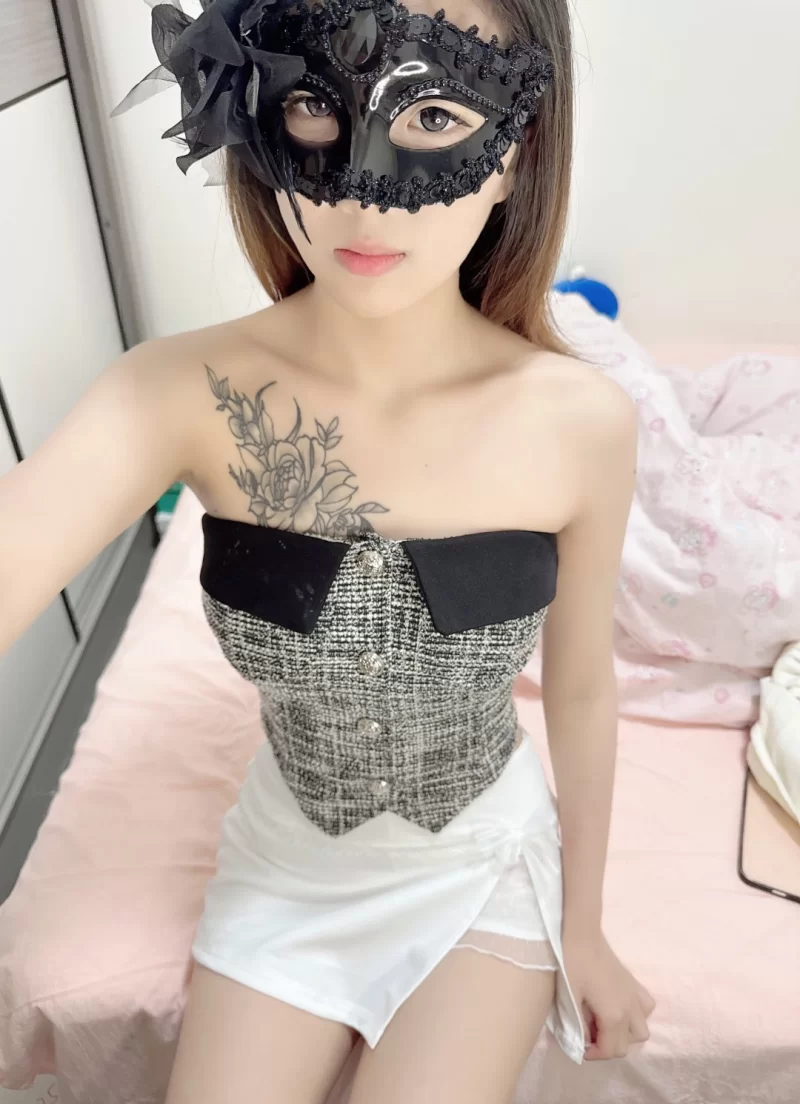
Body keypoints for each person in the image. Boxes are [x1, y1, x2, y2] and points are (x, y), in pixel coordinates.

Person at [0, 0, 656, 1100]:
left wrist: (582, 928)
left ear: (515, 152)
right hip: (284, 867)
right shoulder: (176, 393)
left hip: (479, 864)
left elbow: (583, 688)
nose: (360, 188)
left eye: (433, 113)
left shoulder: (580, 422)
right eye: (314, 102)